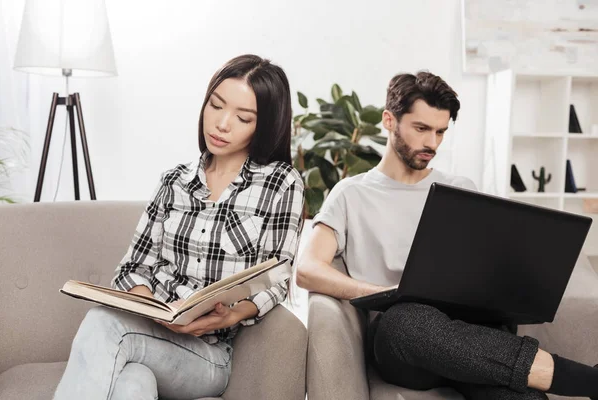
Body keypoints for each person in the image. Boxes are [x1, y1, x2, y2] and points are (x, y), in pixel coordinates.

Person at [297, 71, 598, 400]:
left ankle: (540, 374)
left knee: (514, 392)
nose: (432, 143)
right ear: (388, 120)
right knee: (406, 320)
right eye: (422, 129)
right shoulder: (350, 193)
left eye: (441, 132)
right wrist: (385, 292)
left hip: (473, 333)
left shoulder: (460, 189)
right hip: (404, 341)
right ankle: (580, 379)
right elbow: (308, 269)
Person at [54, 54, 305, 400]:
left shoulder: (281, 183)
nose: (222, 124)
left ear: (262, 126)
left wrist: (229, 316)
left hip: (209, 354)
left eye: (243, 118)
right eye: (216, 106)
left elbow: (277, 278)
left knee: (102, 323)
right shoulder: (174, 181)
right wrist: (155, 311)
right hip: (150, 333)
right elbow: (131, 269)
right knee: (133, 384)